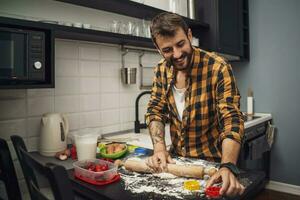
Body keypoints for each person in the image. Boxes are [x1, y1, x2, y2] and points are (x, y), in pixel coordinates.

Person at [145, 12, 245, 197]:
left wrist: (228, 165)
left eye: (180, 44)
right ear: (158, 49)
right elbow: (156, 110)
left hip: (214, 167)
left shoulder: (217, 67)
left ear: (189, 36)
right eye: (167, 50)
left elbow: (231, 118)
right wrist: (159, 148)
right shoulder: (161, 69)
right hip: (177, 166)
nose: (176, 54)